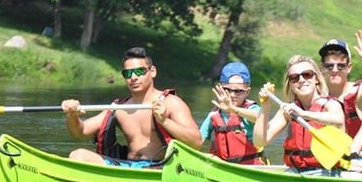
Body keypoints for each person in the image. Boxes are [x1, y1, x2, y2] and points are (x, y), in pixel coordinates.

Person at [61, 46, 202, 166]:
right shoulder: (118, 107)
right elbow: (80, 132)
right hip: (126, 166)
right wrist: (72, 115)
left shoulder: (171, 102)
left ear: (152, 72)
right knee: (78, 155)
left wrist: (164, 121)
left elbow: (197, 142)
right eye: (127, 73)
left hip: (160, 167)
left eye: (139, 71)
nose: (133, 77)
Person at [254, 55, 346, 174]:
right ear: (290, 85)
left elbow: (338, 119)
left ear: (316, 79)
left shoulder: (330, 104)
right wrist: (265, 106)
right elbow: (259, 141)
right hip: (294, 171)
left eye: (307, 74)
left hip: (325, 172)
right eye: (294, 78)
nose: (301, 80)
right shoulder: (288, 109)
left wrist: (304, 114)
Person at [199, 61, 266, 165]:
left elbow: (260, 118)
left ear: (247, 92)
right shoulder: (214, 114)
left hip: (251, 168)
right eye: (227, 90)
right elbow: (197, 140)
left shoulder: (252, 109)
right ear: (220, 88)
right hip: (222, 167)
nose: (232, 95)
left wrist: (233, 110)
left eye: (238, 91)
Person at [317, 30, 362, 138]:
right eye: (329, 66)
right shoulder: (317, 96)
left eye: (341, 66)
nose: (335, 70)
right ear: (323, 68)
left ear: (349, 67)